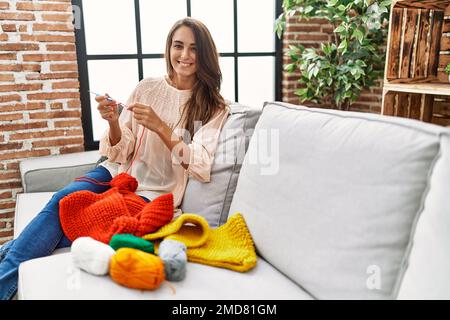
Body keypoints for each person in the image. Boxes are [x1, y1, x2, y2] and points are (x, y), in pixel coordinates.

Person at [0, 17, 230, 300]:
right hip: (114, 171)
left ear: (205, 54)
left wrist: (161, 128)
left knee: (72, 219)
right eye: (178, 46)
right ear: (168, 49)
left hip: (152, 191)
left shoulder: (214, 107)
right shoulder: (147, 87)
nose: (184, 55)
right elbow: (122, 149)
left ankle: (6, 262)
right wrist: (113, 122)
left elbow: (200, 164)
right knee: (63, 200)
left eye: (194, 49)